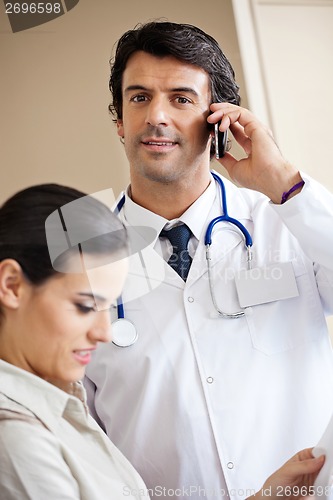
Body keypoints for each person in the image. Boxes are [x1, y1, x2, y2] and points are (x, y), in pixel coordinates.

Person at [84, 21, 333, 499]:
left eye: (181, 98)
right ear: (119, 121)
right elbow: (81, 438)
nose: (157, 116)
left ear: (219, 118)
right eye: (139, 98)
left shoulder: (285, 219)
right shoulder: (77, 253)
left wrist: (281, 179)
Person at [0, 183, 149, 499]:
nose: (105, 333)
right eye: (85, 306)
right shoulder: (15, 437)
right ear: (11, 285)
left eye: (108, 307)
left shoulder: (58, 399)